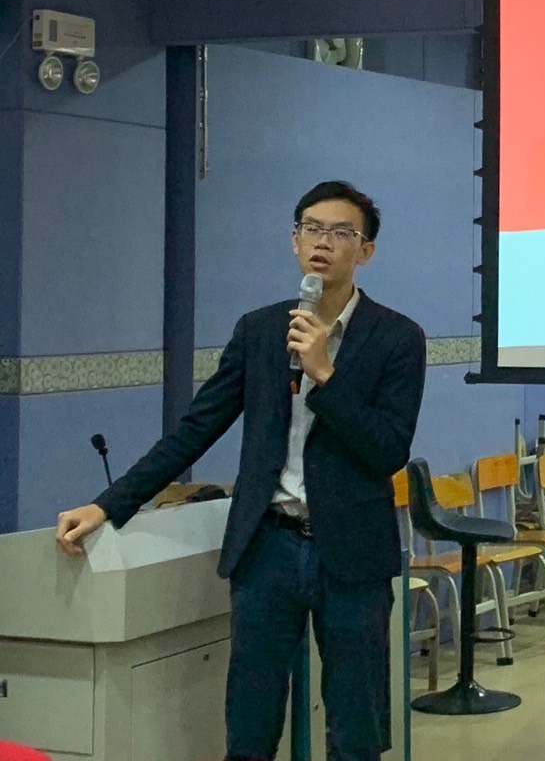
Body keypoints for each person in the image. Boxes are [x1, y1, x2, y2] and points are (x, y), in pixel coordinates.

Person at [55, 181, 426, 761]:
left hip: (352, 553)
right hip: (268, 547)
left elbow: (387, 450)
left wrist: (325, 375)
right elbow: (195, 428)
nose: (322, 242)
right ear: (294, 241)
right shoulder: (259, 330)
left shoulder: (398, 337)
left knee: (356, 730)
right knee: (250, 725)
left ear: (366, 251)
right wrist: (108, 504)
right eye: (311, 228)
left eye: (340, 232)